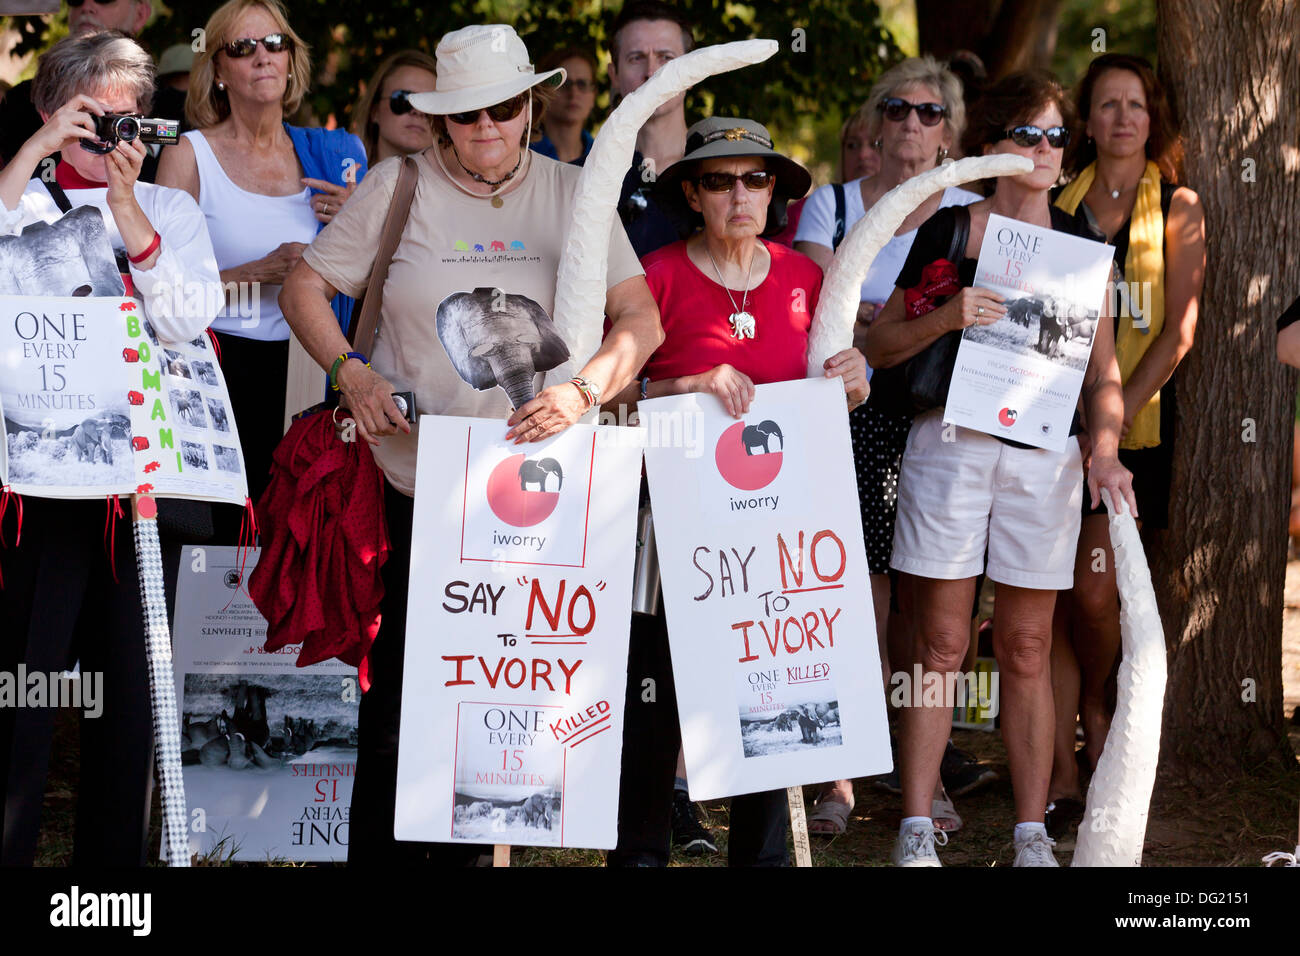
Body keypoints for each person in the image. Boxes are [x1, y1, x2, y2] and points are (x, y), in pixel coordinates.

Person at [278, 23, 663, 867]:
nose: (486, 128)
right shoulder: (397, 185)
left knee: (503, 712)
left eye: (505, 108)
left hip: (539, 501)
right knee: (396, 717)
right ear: (440, 119)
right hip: (413, 489)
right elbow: (306, 285)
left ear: (531, 105)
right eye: (465, 115)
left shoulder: (577, 191)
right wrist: (350, 371)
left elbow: (642, 320)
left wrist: (584, 389)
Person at [863, 69, 1138, 867]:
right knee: (941, 643)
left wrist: (1108, 450)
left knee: (1024, 645)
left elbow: (1104, 374)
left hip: (1043, 460)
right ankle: (917, 822)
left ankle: (1029, 833)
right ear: (989, 148)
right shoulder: (950, 231)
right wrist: (950, 314)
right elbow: (879, 349)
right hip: (949, 449)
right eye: (1028, 135)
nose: (1045, 149)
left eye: (1057, 136)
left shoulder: (1085, 248)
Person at [606, 117, 868, 867]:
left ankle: (762, 859)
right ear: (691, 193)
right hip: (671, 519)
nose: (739, 194)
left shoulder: (804, 279)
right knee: (657, 693)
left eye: (756, 179)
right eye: (719, 180)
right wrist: (688, 384)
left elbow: (832, 396)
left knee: (770, 684)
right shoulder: (653, 276)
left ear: (775, 192)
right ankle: (639, 854)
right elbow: (605, 400)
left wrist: (856, 381)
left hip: (777, 524)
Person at [0, 31, 220, 866]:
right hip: (39, 482)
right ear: (54, 109)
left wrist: (128, 208)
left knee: (129, 700)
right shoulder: (19, 192)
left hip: (141, 485)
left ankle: (113, 888)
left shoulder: (167, 208)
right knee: (25, 686)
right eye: (96, 117)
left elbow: (187, 317)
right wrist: (37, 153)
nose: (112, 137)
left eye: (131, 120)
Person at [794, 55, 983, 836]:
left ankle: (923, 779)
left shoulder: (977, 208)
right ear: (874, 123)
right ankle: (839, 780)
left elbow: (882, 317)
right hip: (854, 422)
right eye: (898, 110)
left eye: (930, 112)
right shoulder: (829, 206)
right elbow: (815, 315)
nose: (912, 124)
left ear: (952, 130)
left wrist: (881, 322)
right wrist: (890, 325)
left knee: (928, 616)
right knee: (856, 605)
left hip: (944, 419)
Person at [1045, 53, 1204, 839]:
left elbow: (1178, 333)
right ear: (1087, 119)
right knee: (1049, 597)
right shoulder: (1055, 200)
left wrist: (1108, 423)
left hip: (1131, 439)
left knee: (1097, 592)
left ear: (1154, 115)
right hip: (1043, 435)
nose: (1122, 117)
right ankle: (1068, 770)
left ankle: (1099, 711)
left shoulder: (1178, 206)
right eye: (1107, 104)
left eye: (1135, 103)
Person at [156, 0, 366, 529]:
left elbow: (377, 277)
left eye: (276, 43)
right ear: (219, 70)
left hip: (306, 367)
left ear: (292, 59)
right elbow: (158, 288)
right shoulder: (189, 154)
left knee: (291, 536)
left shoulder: (331, 154)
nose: (263, 57)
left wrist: (356, 223)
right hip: (213, 367)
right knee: (219, 540)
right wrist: (258, 271)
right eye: (243, 47)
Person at [0, 0, 153, 168]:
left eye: (105, 0)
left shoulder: (166, 102)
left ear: (140, 14)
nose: (86, 7)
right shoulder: (21, 99)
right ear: (46, 113)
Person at [608, 0, 693, 257]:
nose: (652, 72)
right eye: (636, 58)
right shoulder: (581, 176)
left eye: (666, 57)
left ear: (692, 71)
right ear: (614, 75)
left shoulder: (726, 171)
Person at [351, 50, 437, 166]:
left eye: (429, 104)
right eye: (403, 99)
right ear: (375, 111)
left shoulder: (460, 184)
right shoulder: (336, 177)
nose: (418, 111)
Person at [531, 47, 597, 164]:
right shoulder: (523, 153)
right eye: (565, 83)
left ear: (593, 95)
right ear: (543, 91)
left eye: (582, 84)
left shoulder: (602, 155)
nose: (574, 93)